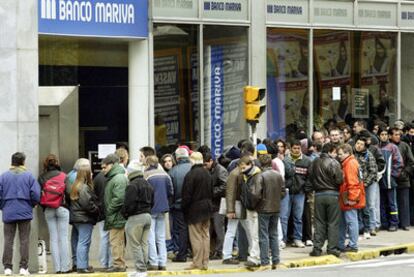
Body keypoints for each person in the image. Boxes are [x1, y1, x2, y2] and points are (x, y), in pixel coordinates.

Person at [0, 152, 41, 276]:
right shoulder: (29, 176)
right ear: (23, 162)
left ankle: (7, 268)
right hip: (25, 211)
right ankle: (23, 267)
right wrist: (33, 204)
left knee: (8, 240)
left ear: (12, 162)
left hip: (8, 211)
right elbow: (36, 194)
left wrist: (3, 206)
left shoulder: (3, 176)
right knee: (24, 240)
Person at [308, 143, 343, 257]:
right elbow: (339, 180)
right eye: (334, 152)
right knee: (333, 222)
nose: (335, 155)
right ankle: (332, 248)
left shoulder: (314, 162)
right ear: (330, 151)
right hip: (332, 194)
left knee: (319, 222)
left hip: (318, 194)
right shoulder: (334, 163)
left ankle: (317, 248)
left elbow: (310, 178)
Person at [38, 154, 70, 274]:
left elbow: (38, 195)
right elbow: (68, 193)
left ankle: (57, 268)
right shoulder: (64, 176)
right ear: (57, 163)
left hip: (49, 210)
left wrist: (45, 206)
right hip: (62, 208)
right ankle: (65, 267)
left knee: (53, 238)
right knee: (64, 238)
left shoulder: (41, 177)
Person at [182, 152, 213, 270]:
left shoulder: (191, 175)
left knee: (196, 237)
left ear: (192, 160)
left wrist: (184, 208)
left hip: (194, 209)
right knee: (205, 235)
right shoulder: (207, 173)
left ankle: (197, 262)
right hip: (207, 207)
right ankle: (205, 262)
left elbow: (187, 195)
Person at [122, 160, 154, 277]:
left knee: (135, 244)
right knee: (143, 243)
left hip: (135, 217)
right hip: (147, 216)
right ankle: (143, 269)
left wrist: (125, 214)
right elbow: (153, 201)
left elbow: (128, 204)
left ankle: (140, 270)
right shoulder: (148, 183)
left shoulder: (132, 185)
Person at [67, 164, 99, 273]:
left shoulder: (75, 185)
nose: (91, 174)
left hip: (76, 217)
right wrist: (96, 210)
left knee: (76, 241)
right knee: (84, 242)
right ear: (86, 174)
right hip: (84, 218)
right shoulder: (84, 187)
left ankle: (77, 264)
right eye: (90, 172)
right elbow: (87, 204)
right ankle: (82, 266)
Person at [256, 154, 285, 269]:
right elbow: (283, 191)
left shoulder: (260, 176)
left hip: (264, 208)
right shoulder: (278, 175)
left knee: (263, 235)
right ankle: (276, 261)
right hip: (276, 207)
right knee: (274, 234)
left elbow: (256, 193)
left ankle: (265, 262)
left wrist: (256, 204)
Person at [144, 156, 173, 271]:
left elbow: (144, 193)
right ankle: (163, 262)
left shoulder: (146, 175)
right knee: (161, 237)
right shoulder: (165, 175)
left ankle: (153, 262)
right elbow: (171, 191)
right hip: (163, 208)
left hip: (150, 209)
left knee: (150, 237)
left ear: (148, 163)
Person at [281, 140, 312, 248]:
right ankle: (283, 239)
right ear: (291, 148)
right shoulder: (285, 160)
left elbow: (309, 177)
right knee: (284, 217)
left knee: (298, 217)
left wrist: (305, 189)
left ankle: (297, 238)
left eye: (298, 148)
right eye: (294, 148)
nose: (296, 150)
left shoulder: (307, 161)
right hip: (287, 192)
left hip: (300, 192)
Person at [102, 154, 129, 272]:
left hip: (116, 215)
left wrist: (109, 210)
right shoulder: (116, 177)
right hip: (116, 215)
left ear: (112, 165)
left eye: (104, 167)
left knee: (116, 242)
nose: (103, 170)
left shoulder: (118, 178)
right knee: (117, 241)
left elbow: (119, 198)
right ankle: (120, 263)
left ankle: (118, 265)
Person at [337, 144, 366, 252]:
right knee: (348, 222)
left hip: (349, 198)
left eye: (340, 154)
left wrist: (352, 199)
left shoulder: (349, 164)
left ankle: (353, 245)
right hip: (348, 197)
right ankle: (347, 244)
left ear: (347, 153)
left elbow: (353, 183)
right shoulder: (350, 162)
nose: (339, 156)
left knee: (350, 221)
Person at [93, 154, 120, 270]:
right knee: (112, 239)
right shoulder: (115, 177)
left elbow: (94, 195)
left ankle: (104, 263)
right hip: (111, 211)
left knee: (104, 238)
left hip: (101, 211)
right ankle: (110, 263)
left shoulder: (97, 177)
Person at [169, 147, 192, 262]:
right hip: (194, 205)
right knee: (196, 229)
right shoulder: (194, 168)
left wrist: (171, 205)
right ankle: (197, 253)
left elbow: (171, 191)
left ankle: (182, 254)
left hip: (179, 206)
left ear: (177, 158)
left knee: (182, 230)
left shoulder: (174, 171)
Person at [203, 152, 228, 260]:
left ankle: (219, 251)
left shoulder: (220, 170)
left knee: (219, 229)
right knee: (211, 229)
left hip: (218, 204)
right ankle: (214, 251)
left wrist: (211, 192)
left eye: (206, 164)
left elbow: (225, 186)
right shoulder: (211, 170)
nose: (205, 166)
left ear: (211, 161)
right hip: (212, 204)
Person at [378, 127, 403, 231]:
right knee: (381, 203)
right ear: (379, 136)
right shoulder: (376, 148)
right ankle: (384, 222)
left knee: (392, 203)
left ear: (388, 136)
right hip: (379, 181)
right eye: (382, 134)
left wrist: (392, 175)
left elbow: (399, 163)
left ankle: (394, 223)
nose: (384, 136)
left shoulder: (393, 147)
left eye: (385, 134)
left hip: (390, 181)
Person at [389, 127, 414, 231]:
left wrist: (404, 173)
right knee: (392, 202)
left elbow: (411, 161)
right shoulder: (388, 146)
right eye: (395, 134)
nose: (398, 136)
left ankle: (404, 223)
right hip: (390, 178)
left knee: (404, 202)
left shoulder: (405, 146)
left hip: (403, 178)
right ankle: (393, 223)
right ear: (390, 136)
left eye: (399, 134)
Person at [353, 136, 378, 239]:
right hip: (355, 185)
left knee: (367, 207)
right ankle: (359, 229)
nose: (359, 146)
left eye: (361, 144)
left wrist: (365, 183)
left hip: (366, 185)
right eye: (357, 143)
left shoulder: (369, 155)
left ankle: (368, 228)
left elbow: (373, 171)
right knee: (356, 207)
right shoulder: (352, 154)